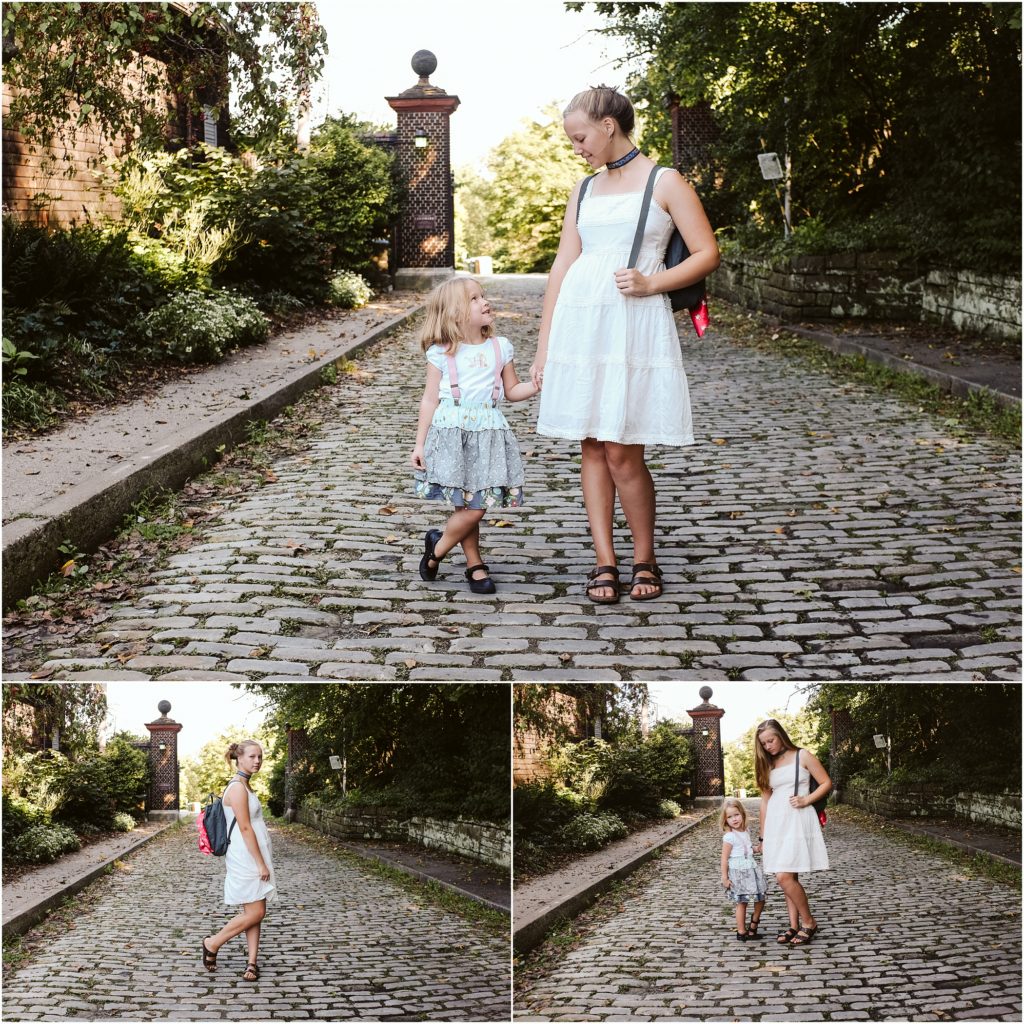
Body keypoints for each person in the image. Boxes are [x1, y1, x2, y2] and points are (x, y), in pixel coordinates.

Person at [531, 84, 720, 604]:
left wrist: (651, 283)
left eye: (580, 136)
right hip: (581, 323)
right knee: (590, 443)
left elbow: (707, 252)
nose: (577, 147)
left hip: (633, 320)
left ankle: (645, 557)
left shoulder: (665, 181)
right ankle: (604, 561)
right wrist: (544, 348)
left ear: (608, 125)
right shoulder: (584, 189)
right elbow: (563, 265)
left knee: (622, 449)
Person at [410, 277, 538, 594]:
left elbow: (512, 390)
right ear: (454, 313)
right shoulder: (441, 353)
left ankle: (437, 549)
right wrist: (419, 443)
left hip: (488, 432)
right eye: (473, 299)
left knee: (477, 506)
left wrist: (536, 386)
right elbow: (429, 399)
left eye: (483, 295)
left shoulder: (500, 347)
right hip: (451, 432)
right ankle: (474, 565)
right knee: (465, 506)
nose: (484, 301)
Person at [201, 740, 275, 981]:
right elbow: (244, 827)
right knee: (256, 912)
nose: (257, 761)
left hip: (253, 852)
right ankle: (212, 942)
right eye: (252, 756)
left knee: (254, 907)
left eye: (260, 757)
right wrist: (261, 863)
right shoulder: (237, 788)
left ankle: (251, 962)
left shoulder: (246, 785)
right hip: (245, 855)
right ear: (239, 758)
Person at [754, 719, 831, 946]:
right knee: (789, 875)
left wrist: (807, 799)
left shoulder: (802, 756)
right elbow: (765, 802)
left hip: (797, 819)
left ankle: (809, 922)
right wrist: (763, 836)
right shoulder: (767, 763)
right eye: (764, 743)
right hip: (776, 823)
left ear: (781, 735)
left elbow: (826, 782)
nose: (768, 746)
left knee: (784, 876)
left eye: (771, 740)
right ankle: (794, 925)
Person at [720, 797, 768, 941]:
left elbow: (746, 849)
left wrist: (756, 848)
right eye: (729, 817)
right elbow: (724, 858)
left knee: (761, 897)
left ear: (742, 814)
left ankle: (753, 925)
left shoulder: (745, 831)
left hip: (751, 868)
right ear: (725, 820)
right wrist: (725, 877)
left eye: (736, 815)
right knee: (742, 902)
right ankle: (741, 931)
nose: (734, 819)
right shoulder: (729, 837)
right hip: (739, 872)